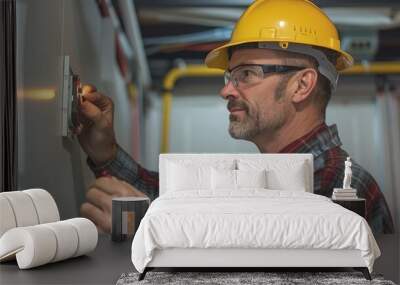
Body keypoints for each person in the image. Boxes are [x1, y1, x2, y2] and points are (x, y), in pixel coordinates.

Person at [76, 0, 394, 234]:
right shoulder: (262, 180)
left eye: (246, 74)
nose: (226, 91)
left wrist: (154, 232)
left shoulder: (341, 189)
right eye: (230, 76)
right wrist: (107, 153)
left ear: (302, 84)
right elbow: (177, 199)